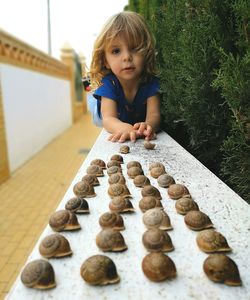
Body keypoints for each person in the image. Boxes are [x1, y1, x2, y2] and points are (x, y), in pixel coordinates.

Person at [89, 11, 161, 143]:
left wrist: (148, 125)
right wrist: (122, 127)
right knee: (97, 114)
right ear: (105, 61)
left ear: (146, 52)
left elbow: (154, 115)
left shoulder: (150, 82)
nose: (127, 57)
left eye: (134, 48)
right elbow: (108, 119)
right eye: (116, 51)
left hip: (134, 122)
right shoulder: (109, 83)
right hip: (106, 116)